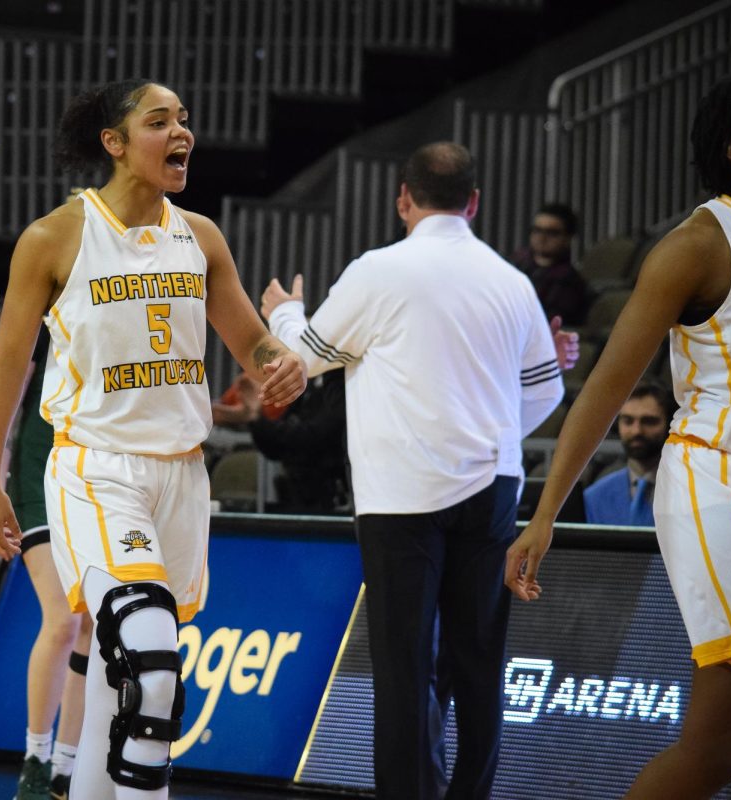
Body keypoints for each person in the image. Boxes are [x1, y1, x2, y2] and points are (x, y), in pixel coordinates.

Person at [0, 78, 307, 800]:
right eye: (160, 121)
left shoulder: (202, 238)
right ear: (115, 144)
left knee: (117, 667)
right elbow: (9, 360)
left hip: (182, 475)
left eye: (184, 119)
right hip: (95, 467)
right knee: (153, 662)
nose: (181, 132)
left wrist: (285, 367)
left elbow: (251, 343)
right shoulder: (55, 237)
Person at [262, 141, 564, 800]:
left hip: (400, 497)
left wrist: (283, 310)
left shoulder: (379, 271)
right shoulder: (513, 281)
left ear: (403, 199)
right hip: (491, 486)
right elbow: (546, 389)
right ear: (475, 202)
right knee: (479, 664)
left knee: (404, 670)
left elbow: (302, 361)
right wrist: (495, 435)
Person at [507, 68, 731, 798]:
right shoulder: (699, 245)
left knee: (721, 744)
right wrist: (545, 516)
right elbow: (603, 390)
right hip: (720, 486)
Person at [10, 343, 93, 800]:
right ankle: (35, 759)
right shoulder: (48, 290)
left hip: (93, 468)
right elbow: (11, 375)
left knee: (91, 625)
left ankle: (67, 764)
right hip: (39, 465)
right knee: (62, 620)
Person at [211, 370, 350, 513]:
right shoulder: (310, 382)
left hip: (331, 501)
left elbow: (313, 438)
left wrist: (257, 419)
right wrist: (254, 419)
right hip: (296, 496)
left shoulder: (344, 383)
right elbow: (275, 448)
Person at [583, 379, 674, 526]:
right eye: (628, 421)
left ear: (669, 423)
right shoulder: (595, 496)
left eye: (649, 421)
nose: (636, 431)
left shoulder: (690, 492)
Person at [511, 202, 591, 326]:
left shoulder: (569, 279)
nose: (542, 237)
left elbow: (549, 320)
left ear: (568, 238)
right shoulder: (515, 264)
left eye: (552, 233)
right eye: (537, 230)